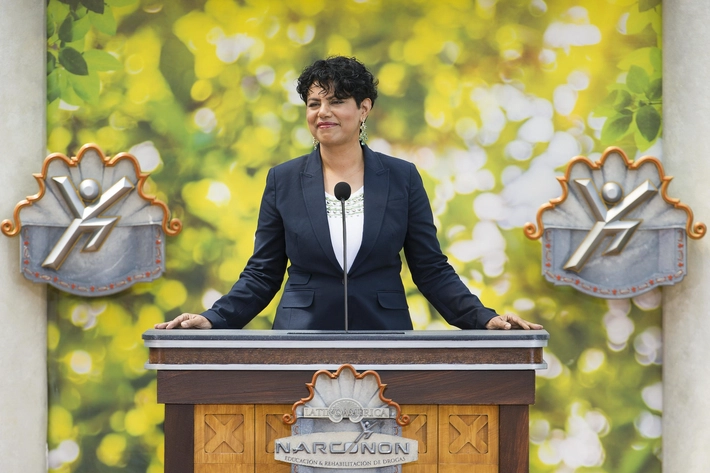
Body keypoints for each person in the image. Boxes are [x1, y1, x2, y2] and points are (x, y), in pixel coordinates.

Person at [156, 56, 541, 332]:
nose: (322, 112)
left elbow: (431, 269)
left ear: (363, 109)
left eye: (336, 101)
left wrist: (484, 318)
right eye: (314, 103)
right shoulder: (282, 180)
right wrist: (213, 319)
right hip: (300, 338)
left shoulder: (402, 178)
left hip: (383, 335)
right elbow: (262, 273)